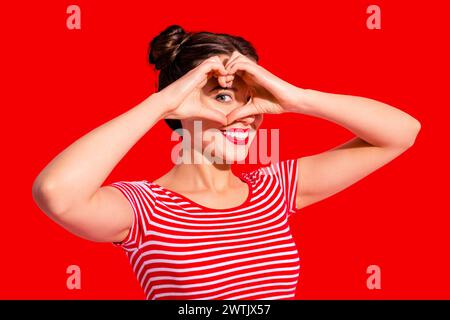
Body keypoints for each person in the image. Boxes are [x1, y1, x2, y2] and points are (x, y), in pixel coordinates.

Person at [32, 24, 421, 300]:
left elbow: (402, 133)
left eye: (250, 97)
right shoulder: (144, 208)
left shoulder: (275, 189)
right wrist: (160, 103)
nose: (244, 114)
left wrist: (297, 98)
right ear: (180, 104)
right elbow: (57, 193)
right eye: (221, 97)